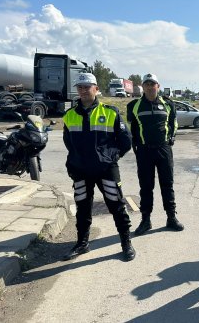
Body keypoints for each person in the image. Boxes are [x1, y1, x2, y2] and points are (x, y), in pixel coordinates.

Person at [62, 73, 135, 262]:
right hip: (81, 171)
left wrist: (111, 157)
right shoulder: (69, 115)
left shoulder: (110, 112)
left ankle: (126, 243)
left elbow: (126, 141)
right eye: (80, 87)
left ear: (96, 89)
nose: (84, 90)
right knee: (83, 207)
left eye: (87, 87)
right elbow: (68, 142)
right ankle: (82, 244)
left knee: (117, 205)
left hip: (106, 170)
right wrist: (74, 161)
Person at [127, 73, 184, 235]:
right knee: (146, 187)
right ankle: (146, 220)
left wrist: (171, 138)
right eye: (147, 84)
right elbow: (133, 128)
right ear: (142, 87)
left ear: (158, 86)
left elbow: (173, 123)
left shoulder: (167, 104)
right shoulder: (134, 106)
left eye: (153, 84)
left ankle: (171, 217)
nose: (150, 87)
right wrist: (136, 145)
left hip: (163, 149)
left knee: (167, 185)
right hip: (144, 151)